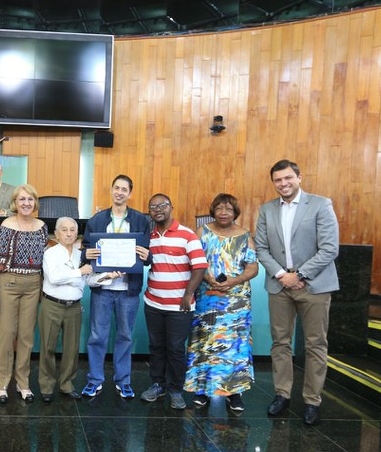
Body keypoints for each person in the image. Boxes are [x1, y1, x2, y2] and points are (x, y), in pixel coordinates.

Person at [255, 159, 339, 426]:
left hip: (314, 286)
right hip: (279, 286)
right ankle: (282, 394)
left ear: (299, 178)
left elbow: (329, 248)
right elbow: (261, 249)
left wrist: (299, 275)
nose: (283, 183)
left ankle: (312, 400)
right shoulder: (266, 209)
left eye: (288, 178)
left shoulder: (320, 205)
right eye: (278, 180)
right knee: (280, 342)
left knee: (315, 344)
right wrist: (283, 275)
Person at [183, 193, 259, 412]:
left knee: (235, 345)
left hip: (236, 302)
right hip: (207, 297)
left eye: (228, 209)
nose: (223, 213)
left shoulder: (245, 236)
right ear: (213, 211)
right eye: (219, 208)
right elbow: (192, 260)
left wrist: (234, 280)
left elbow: (253, 267)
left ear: (235, 212)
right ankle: (201, 389)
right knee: (204, 341)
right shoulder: (202, 232)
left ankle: (234, 393)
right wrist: (207, 278)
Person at [80, 174, 152, 399]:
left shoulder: (141, 221)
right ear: (111, 190)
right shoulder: (97, 220)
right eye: (116, 188)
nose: (119, 192)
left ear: (130, 194)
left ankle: (123, 381)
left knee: (125, 337)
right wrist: (86, 253)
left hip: (128, 290)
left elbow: (147, 255)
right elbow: (85, 250)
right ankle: (95, 380)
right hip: (102, 288)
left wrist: (148, 256)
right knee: (97, 336)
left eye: (124, 189)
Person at [139, 193, 207, 409]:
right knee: (156, 346)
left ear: (171, 207)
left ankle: (176, 389)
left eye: (162, 205)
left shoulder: (187, 235)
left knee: (176, 348)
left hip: (179, 305)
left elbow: (200, 266)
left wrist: (188, 294)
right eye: (153, 207)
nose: (158, 209)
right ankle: (157, 384)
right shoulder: (148, 237)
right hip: (153, 303)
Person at [0, 184, 47, 403]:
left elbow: (44, 260)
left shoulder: (42, 227)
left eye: (30, 199)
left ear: (35, 202)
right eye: (22, 199)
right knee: (6, 336)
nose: (26, 203)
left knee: (26, 337)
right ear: (14, 203)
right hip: (8, 284)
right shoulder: (6, 225)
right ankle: (1, 384)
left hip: (34, 285)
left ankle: (23, 383)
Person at [38, 217, 93, 402]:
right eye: (64, 230)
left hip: (74, 307)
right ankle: (46, 387)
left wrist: (108, 276)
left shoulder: (81, 255)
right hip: (52, 305)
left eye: (72, 230)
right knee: (48, 347)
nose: (69, 234)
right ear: (56, 233)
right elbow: (54, 278)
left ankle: (67, 384)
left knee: (71, 349)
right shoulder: (50, 253)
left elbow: (88, 280)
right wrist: (78, 273)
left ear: (77, 233)